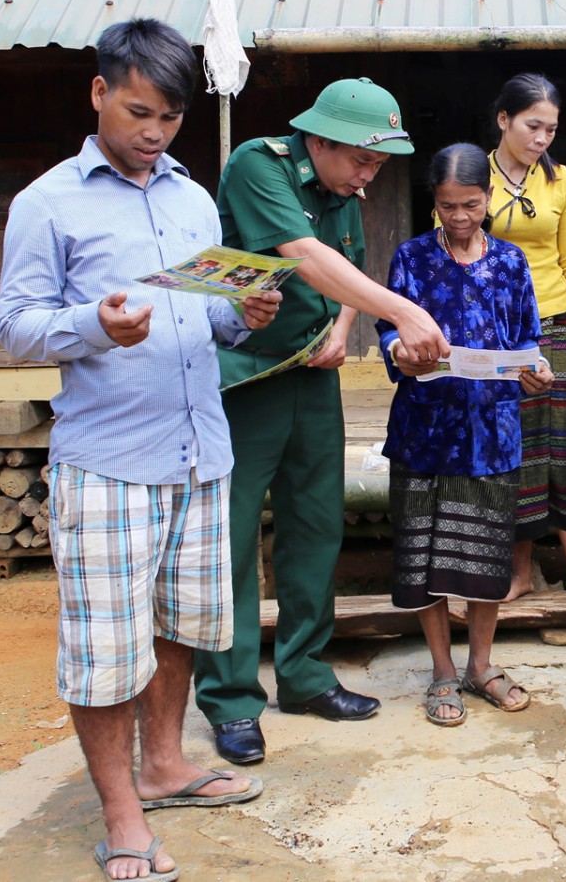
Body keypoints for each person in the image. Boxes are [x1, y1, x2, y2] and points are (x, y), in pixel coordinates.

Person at [0, 18, 274, 882]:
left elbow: (206, 310)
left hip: (201, 452)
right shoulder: (46, 202)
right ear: (100, 93)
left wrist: (244, 313)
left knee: (185, 626)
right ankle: (121, 815)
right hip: (109, 460)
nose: (154, 133)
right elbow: (14, 329)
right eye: (140, 112)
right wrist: (94, 327)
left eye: (170, 119)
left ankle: (165, 766)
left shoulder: (193, 196)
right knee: (105, 647)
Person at [195, 78, 451, 767]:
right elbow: (306, 256)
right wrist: (400, 310)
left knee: (315, 525)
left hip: (313, 375)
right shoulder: (260, 164)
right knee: (233, 536)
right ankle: (231, 699)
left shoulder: (346, 190)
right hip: (246, 379)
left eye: (378, 165)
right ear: (321, 139)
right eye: (363, 161)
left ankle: (305, 675)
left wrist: (344, 326)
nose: (371, 176)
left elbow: (346, 265)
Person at [378, 143, 550, 726]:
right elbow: (387, 331)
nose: (459, 217)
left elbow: (529, 339)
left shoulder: (511, 262)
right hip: (424, 428)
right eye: (448, 205)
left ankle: (480, 665)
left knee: (483, 555)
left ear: (489, 198)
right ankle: (442, 672)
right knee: (425, 555)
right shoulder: (411, 259)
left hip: (490, 430)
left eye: (471, 205)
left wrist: (534, 373)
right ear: (435, 201)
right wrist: (399, 351)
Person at [486, 73, 566, 605]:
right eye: (532, 126)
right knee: (515, 449)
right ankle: (520, 572)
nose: (542, 139)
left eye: (551, 129)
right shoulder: (473, 178)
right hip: (496, 334)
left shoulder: (563, 182)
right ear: (504, 120)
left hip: (558, 329)